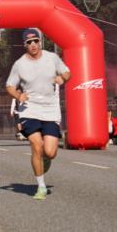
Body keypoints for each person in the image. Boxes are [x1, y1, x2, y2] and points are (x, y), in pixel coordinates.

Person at [6, 28, 71, 200]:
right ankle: (41, 187)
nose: (33, 44)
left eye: (35, 41)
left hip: (50, 109)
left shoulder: (52, 58)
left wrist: (62, 78)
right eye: (29, 42)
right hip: (30, 108)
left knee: (50, 152)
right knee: (36, 145)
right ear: (24, 45)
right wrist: (18, 95)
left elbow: (67, 72)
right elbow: (9, 86)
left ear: (40, 41)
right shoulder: (19, 64)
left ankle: (45, 159)